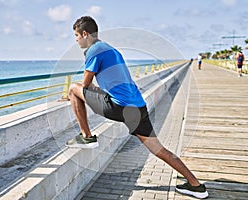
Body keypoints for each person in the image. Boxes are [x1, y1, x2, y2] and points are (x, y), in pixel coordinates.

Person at [66, 16, 208, 199]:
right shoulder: (110, 48)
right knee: (159, 149)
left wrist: (90, 87)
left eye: (76, 35)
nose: (76, 40)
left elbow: (85, 86)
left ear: (85, 34)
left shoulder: (93, 51)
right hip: (138, 106)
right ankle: (197, 186)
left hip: (118, 106)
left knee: (72, 89)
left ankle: (87, 136)